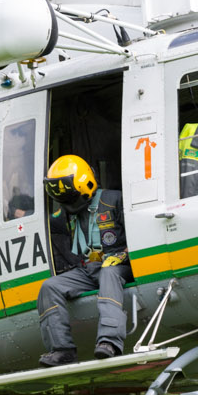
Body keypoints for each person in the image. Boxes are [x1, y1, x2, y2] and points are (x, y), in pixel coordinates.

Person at [37, 153, 129, 368]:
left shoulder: (115, 200)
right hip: (89, 269)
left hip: (120, 267)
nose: (69, 203)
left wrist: (122, 255)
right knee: (50, 287)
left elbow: (139, 234)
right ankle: (62, 350)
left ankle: (110, 341)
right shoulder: (70, 214)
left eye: (71, 196)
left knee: (108, 272)